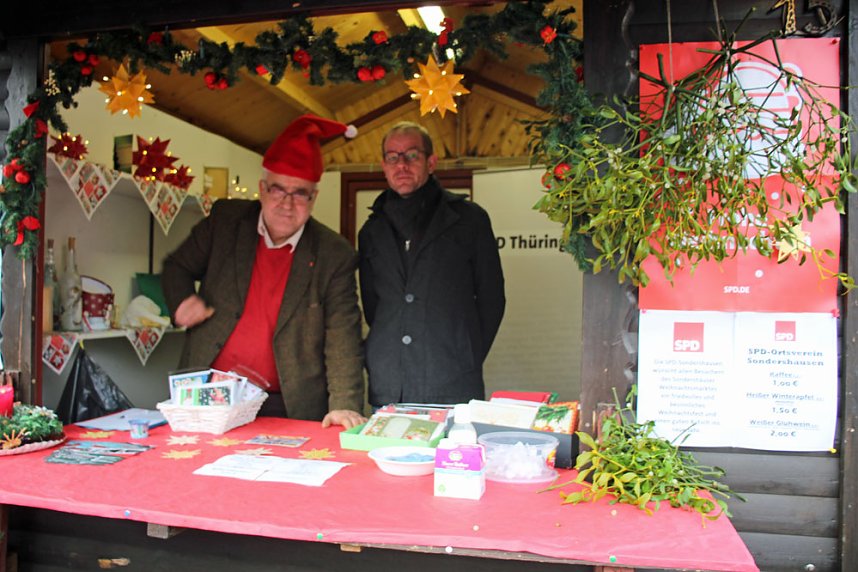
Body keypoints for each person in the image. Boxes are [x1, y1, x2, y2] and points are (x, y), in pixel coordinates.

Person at [161, 114, 366, 428]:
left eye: (300, 193)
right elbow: (177, 267)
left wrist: (343, 406)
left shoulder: (333, 254)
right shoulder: (226, 222)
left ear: (314, 198)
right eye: (278, 190)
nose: (287, 203)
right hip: (208, 394)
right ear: (261, 188)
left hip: (287, 404)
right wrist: (182, 301)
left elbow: (342, 338)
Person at [358, 121, 505, 408]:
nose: (401, 165)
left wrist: (467, 354)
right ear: (383, 165)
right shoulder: (371, 231)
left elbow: (492, 299)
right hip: (389, 384)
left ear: (431, 162)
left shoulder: (469, 220)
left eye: (412, 155)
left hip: (452, 381)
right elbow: (373, 306)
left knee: (450, 455)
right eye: (392, 157)